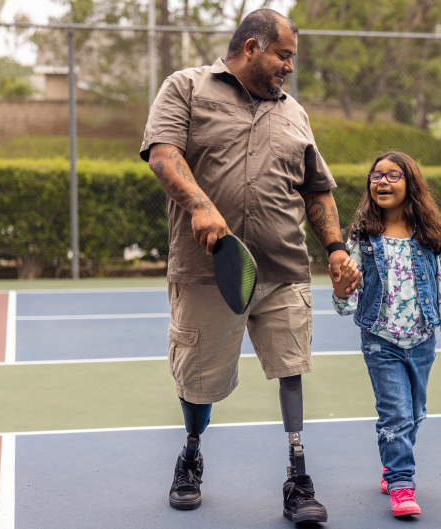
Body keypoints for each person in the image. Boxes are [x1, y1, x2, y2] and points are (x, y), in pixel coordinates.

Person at [140, 8, 359, 525]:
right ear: (253, 47)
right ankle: (191, 452)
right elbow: (163, 154)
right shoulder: (187, 88)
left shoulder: (295, 113)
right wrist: (200, 205)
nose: (289, 67)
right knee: (198, 382)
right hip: (209, 271)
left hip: (284, 268)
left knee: (291, 370)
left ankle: (298, 474)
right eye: (284, 55)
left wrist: (335, 249)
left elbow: (316, 189)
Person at [329, 151, 441, 517]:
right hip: (381, 341)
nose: (382, 181)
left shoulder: (432, 238)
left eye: (393, 175)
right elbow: (347, 303)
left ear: (411, 184)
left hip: (422, 341)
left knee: (416, 413)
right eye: (376, 175)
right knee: (395, 415)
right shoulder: (362, 238)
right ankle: (401, 484)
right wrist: (341, 290)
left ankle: (392, 462)